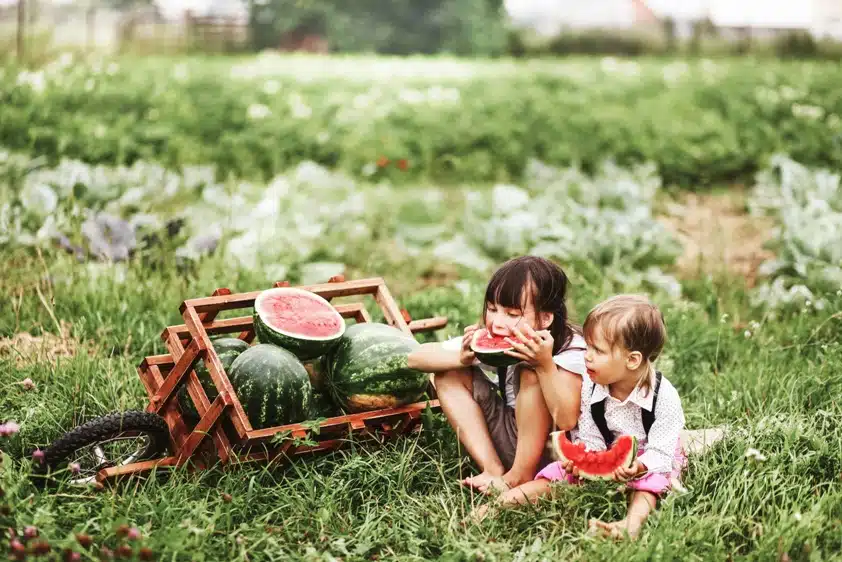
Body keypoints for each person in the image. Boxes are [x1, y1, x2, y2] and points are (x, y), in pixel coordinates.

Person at [473, 294, 687, 540]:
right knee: (557, 475)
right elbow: (590, 436)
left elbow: (662, 452)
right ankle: (494, 508)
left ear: (632, 360)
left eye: (598, 350)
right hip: (607, 451)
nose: (587, 356)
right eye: (587, 346)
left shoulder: (664, 397)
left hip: (648, 458)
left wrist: (638, 466)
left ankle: (630, 525)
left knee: (649, 485)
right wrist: (584, 457)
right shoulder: (591, 386)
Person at [407, 256, 587, 493]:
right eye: (492, 309)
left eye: (513, 314)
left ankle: (519, 477)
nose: (498, 323)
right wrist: (462, 358)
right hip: (515, 437)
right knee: (449, 374)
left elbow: (566, 420)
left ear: (545, 318)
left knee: (530, 373)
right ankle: (492, 469)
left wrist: (544, 367)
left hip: (558, 453)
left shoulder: (572, 349)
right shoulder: (499, 340)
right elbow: (415, 358)